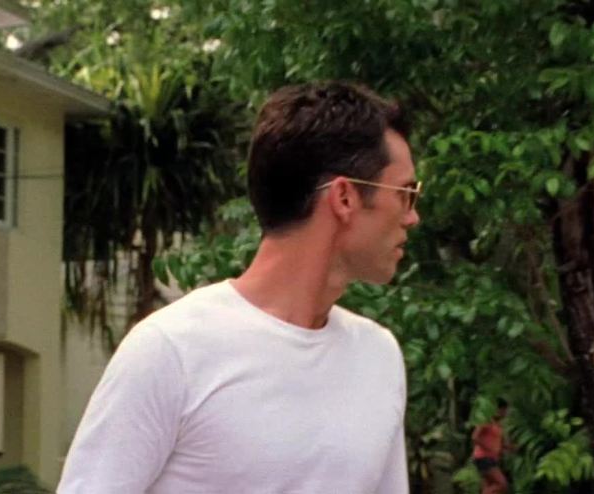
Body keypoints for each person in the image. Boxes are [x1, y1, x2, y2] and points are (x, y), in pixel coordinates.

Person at [57, 81, 422, 493]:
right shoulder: (171, 350)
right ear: (344, 198)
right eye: (405, 193)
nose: (413, 217)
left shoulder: (378, 355)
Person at [472, 399, 512, 494]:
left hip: (492, 459)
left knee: (489, 486)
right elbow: (475, 437)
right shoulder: (486, 421)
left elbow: (498, 444)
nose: (506, 414)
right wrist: (488, 447)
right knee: (502, 484)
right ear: (499, 410)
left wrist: (511, 448)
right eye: (505, 411)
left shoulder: (498, 425)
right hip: (483, 458)